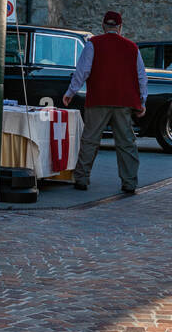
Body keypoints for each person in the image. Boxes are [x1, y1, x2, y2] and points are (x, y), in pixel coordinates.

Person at [63, 10, 147, 194]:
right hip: (124, 100)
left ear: (103, 25)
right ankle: (129, 182)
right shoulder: (132, 47)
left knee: (90, 139)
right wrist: (142, 101)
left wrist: (71, 91)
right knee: (126, 143)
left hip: (99, 98)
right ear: (120, 27)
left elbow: (83, 70)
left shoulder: (93, 44)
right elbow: (141, 77)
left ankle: (82, 178)